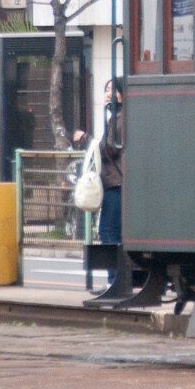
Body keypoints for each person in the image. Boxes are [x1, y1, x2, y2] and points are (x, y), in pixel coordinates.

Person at [75, 79, 126, 290]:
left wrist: (86, 139)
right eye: (106, 90)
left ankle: (115, 280)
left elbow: (109, 149)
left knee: (108, 231)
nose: (108, 94)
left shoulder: (121, 119)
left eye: (112, 90)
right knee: (114, 232)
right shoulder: (119, 117)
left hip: (116, 183)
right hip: (118, 182)